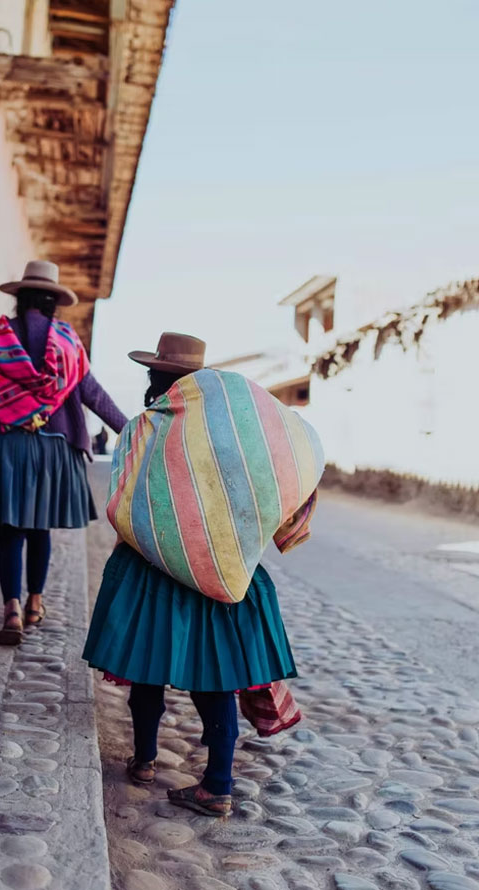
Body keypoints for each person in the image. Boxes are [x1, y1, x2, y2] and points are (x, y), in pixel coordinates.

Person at [82, 333, 298, 818]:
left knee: (147, 666)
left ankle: (144, 759)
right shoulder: (235, 433)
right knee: (217, 675)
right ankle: (217, 784)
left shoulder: (146, 428)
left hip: (151, 567)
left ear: (156, 379)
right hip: (222, 568)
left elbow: (125, 497)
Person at [0, 260, 127, 645]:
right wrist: (132, 430)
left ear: (19, 299)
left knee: (11, 529)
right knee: (39, 528)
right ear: (53, 302)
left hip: (4, 445)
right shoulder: (69, 344)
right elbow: (93, 395)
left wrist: (13, 407)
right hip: (52, 451)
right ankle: (36, 602)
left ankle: (12, 610)